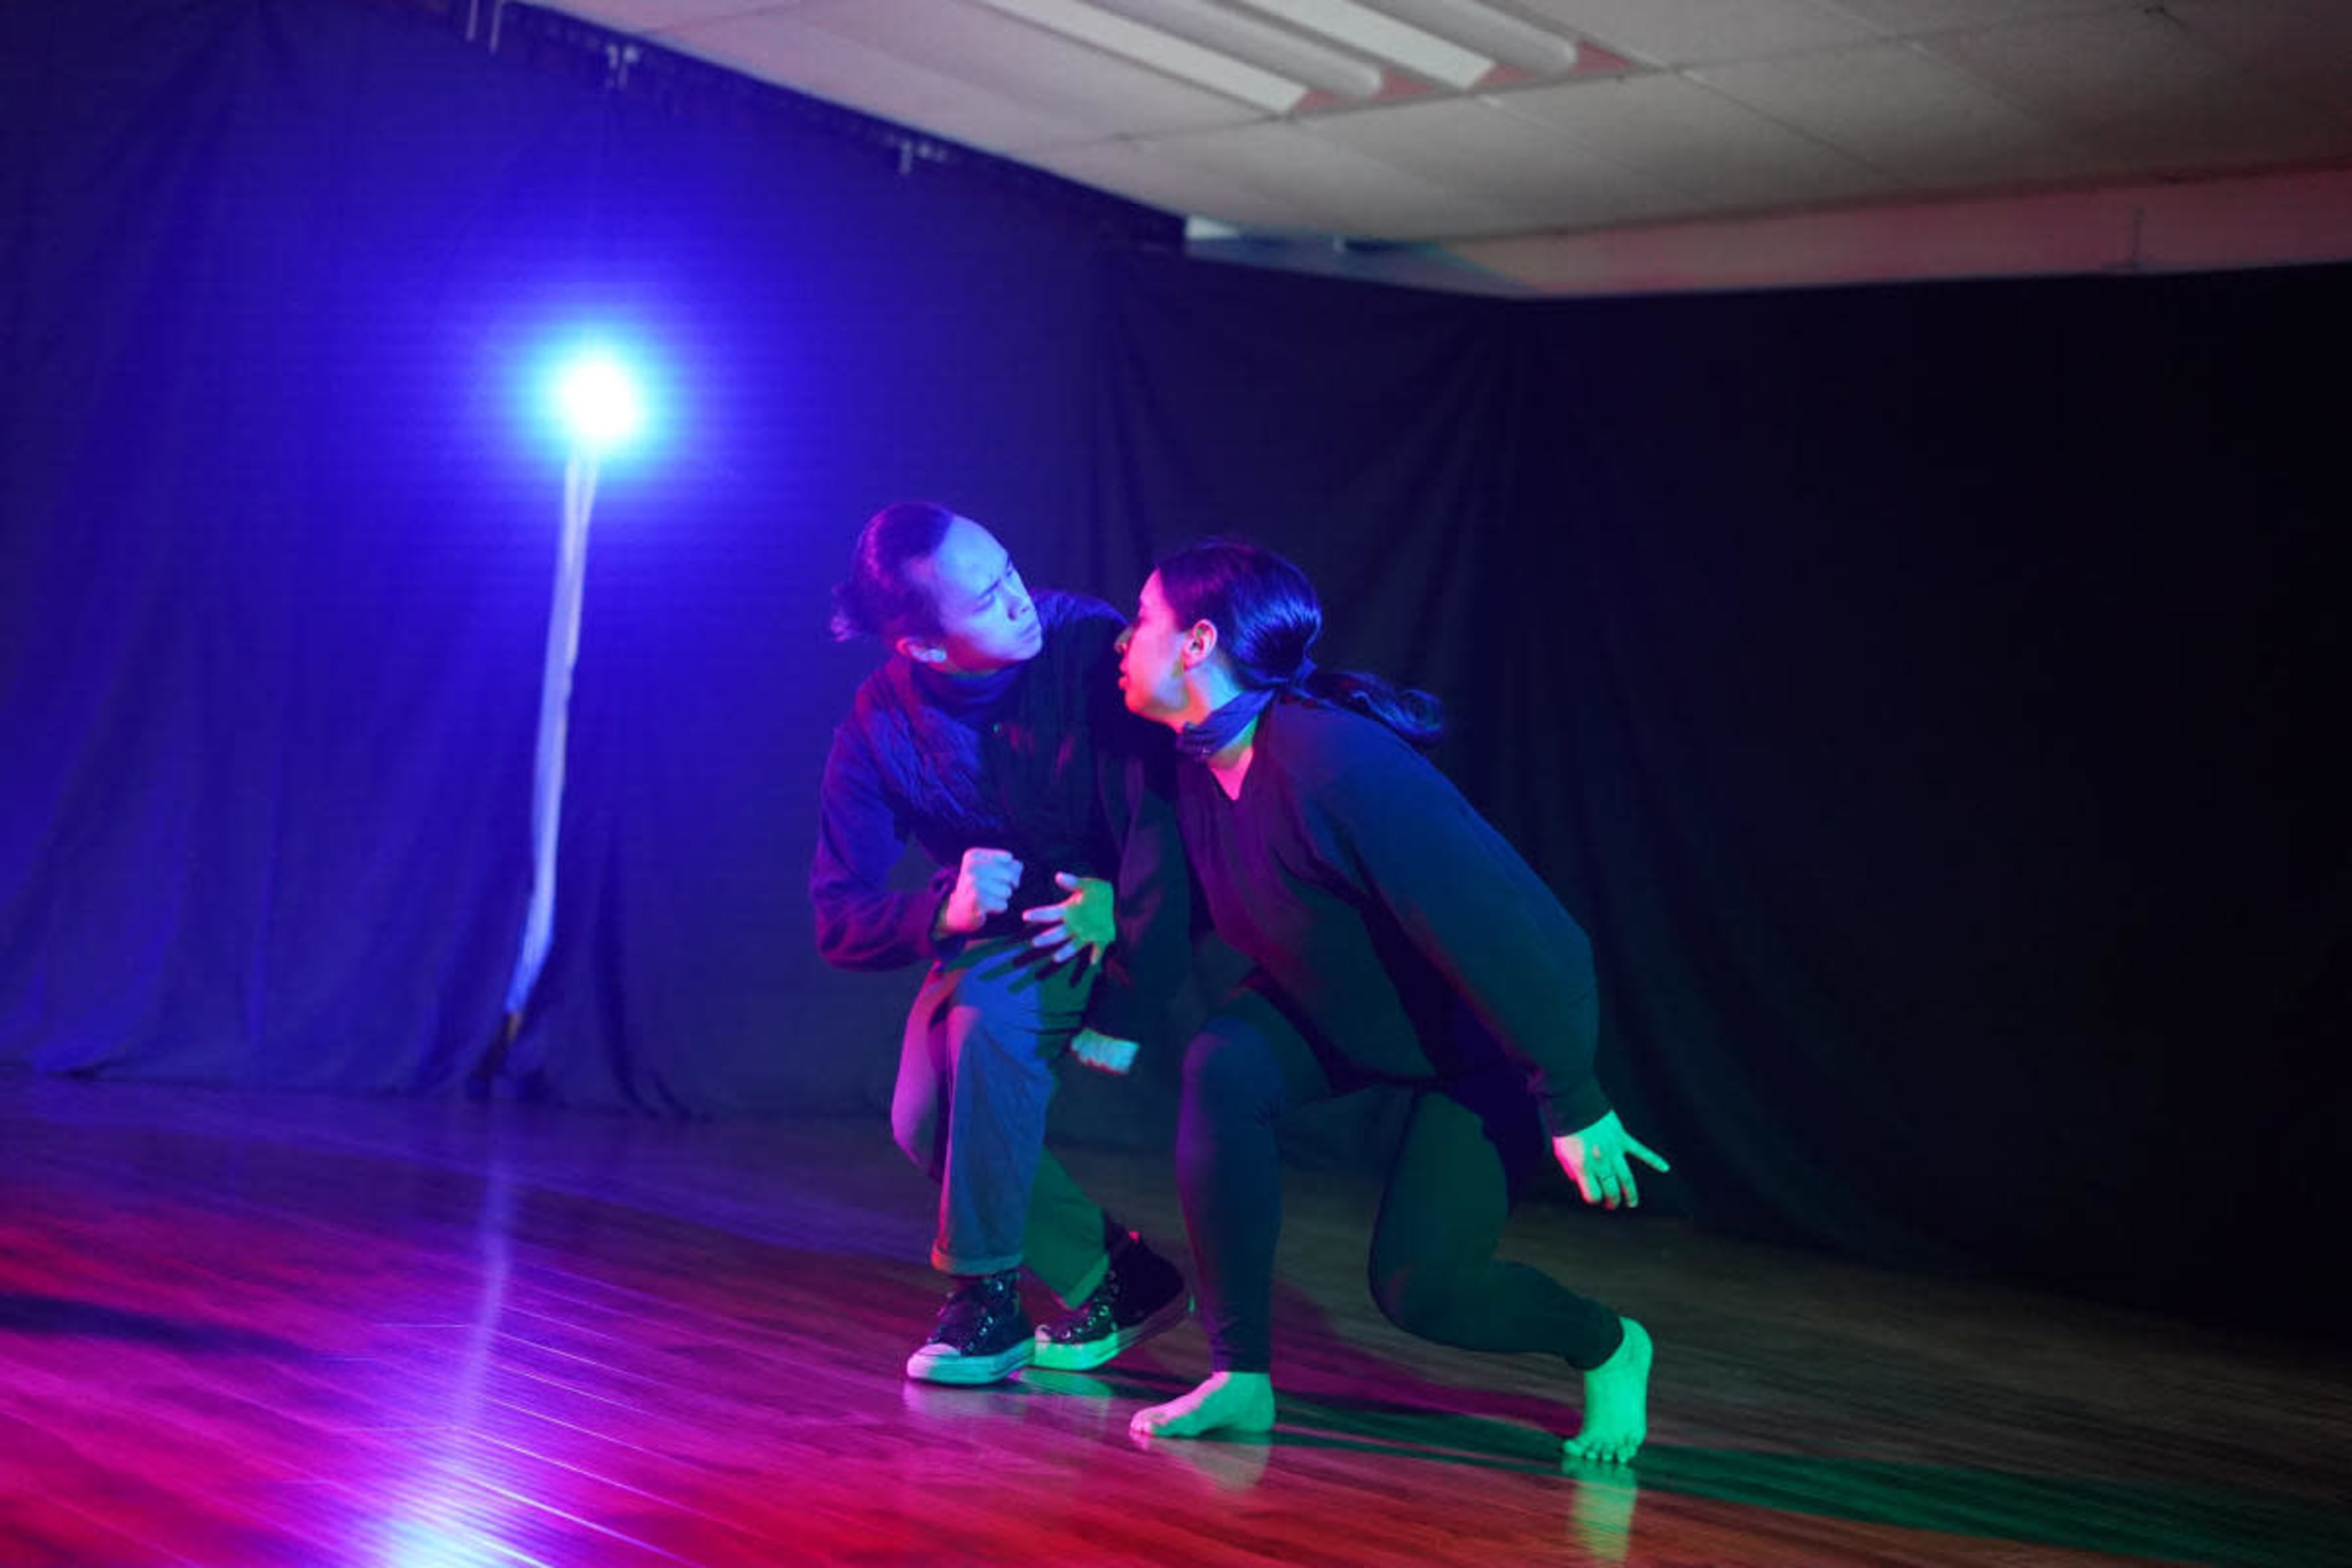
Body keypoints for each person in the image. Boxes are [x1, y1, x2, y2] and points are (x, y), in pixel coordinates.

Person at [1112, 539, 1667, 1465]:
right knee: (1224, 1065)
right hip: (1343, 1007)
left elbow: (1501, 926)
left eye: (1142, 619)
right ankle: (1240, 1376)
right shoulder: (1189, 763)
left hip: (1482, 1033)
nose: (1124, 641)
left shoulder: (1333, 761)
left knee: (1420, 1290)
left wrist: (1571, 1095)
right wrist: (1115, 997)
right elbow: (1164, 906)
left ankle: (1609, 1344)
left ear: (1199, 642)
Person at [812, 502, 1191, 1386]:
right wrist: (940, 911)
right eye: (986, 598)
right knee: (922, 1123)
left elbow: (1174, 802)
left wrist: (1122, 898)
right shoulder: (881, 723)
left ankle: (985, 1300)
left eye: (1009, 571)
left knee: (987, 1023)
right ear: (926, 646)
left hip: (1097, 923)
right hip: (990, 933)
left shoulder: (1086, 647)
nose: (1020, 600)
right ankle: (1121, 1277)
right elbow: (838, 916)